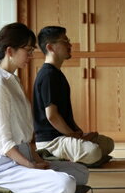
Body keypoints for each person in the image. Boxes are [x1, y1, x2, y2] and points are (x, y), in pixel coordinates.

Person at [0, 23, 88, 193]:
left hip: (24, 158)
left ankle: (30, 183)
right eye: (27, 50)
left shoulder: (12, 80)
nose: (31, 55)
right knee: (65, 184)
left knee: (80, 172)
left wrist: (37, 160)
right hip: (4, 167)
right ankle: (0, 185)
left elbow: (26, 136)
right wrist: (29, 165)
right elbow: (2, 142)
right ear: (10, 51)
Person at [32, 26, 115, 167]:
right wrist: (73, 136)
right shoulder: (48, 75)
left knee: (107, 143)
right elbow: (52, 116)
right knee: (93, 151)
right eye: (64, 41)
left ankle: (74, 156)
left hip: (64, 137)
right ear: (50, 47)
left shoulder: (56, 73)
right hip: (52, 142)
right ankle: (53, 157)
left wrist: (79, 134)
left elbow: (64, 114)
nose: (70, 45)